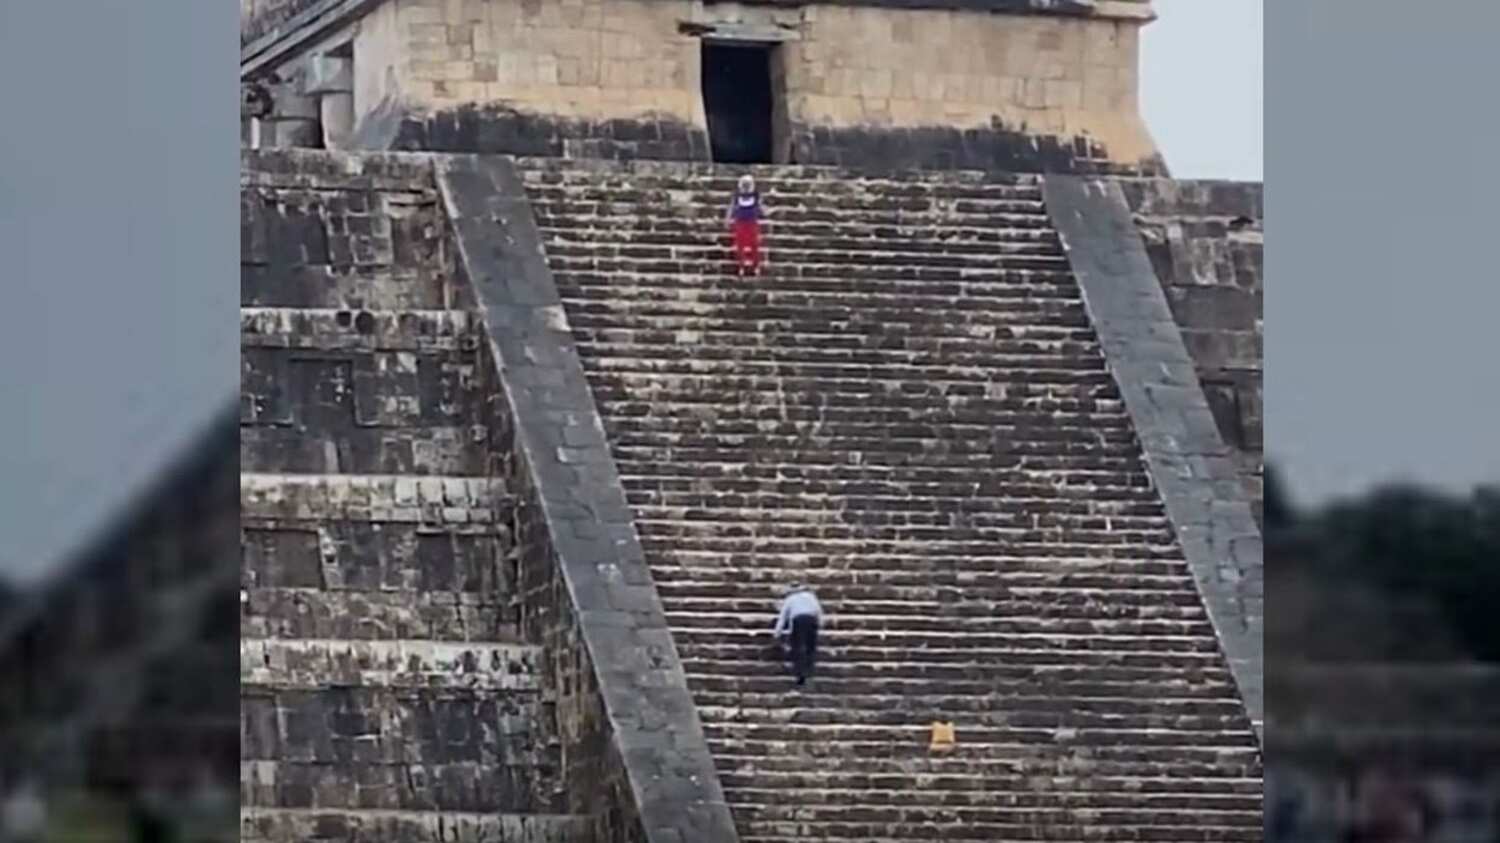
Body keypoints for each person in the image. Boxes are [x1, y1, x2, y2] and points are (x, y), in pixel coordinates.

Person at [773, 583, 822, 686]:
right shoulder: (811, 597)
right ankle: (809, 670)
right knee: (810, 648)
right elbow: (818, 611)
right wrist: (819, 625)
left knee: (798, 647)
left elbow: (783, 618)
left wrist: (777, 633)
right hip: (811, 619)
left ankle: (800, 673)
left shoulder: (790, 599)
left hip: (798, 621)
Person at [724, 174, 765, 276]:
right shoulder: (737, 195)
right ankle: (741, 266)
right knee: (740, 245)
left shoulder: (755, 194)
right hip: (740, 223)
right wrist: (728, 219)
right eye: (745, 184)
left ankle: (756, 266)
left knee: (754, 244)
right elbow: (732, 207)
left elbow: (760, 205)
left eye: (748, 184)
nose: (746, 186)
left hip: (752, 222)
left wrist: (764, 212)